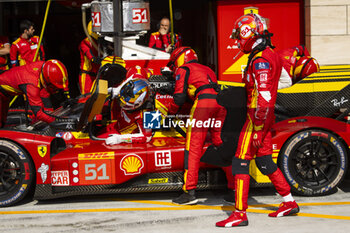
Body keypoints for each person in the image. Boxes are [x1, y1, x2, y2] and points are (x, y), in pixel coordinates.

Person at [215, 13, 299, 227]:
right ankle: (289, 201)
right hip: (265, 117)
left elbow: (264, 95)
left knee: (240, 161)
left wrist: (258, 125)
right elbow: (281, 83)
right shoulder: (269, 54)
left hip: (256, 118)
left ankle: (240, 213)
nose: (237, 41)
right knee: (264, 161)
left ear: (248, 33)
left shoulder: (260, 59)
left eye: (238, 36)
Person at [165, 47, 230, 205]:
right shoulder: (208, 69)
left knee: (193, 147)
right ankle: (234, 187)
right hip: (220, 105)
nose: (174, 67)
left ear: (180, 59)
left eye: (174, 63)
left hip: (203, 105)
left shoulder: (183, 68)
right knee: (220, 144)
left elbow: (179, 98)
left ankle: (189, 192)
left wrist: (169, 112)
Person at [0, 59, 76, 129]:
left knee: (2, 123)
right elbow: (39, 113)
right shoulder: (31, 84)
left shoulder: (46, 66)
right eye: (54, 87)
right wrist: (59, 121)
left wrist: (67, 97)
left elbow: (62, 81)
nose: (56, 90)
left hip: (6, 93)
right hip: (2, 92)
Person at [102, 72, 154, 145]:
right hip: (116, 125)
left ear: (138, 104)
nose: (122, 105)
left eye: (125, 104)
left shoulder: (148, 115)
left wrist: (120, 139)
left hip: (121, 134)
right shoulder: (139, 83)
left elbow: (147, 137)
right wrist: (117, 89)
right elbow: (135, 74)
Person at [79, 21, 102, 95]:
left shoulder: (100, 43)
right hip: (87, 76)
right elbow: (90, 56)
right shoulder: (85, 42)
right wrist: (95, 59)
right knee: (86, 97)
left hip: (98, 74)